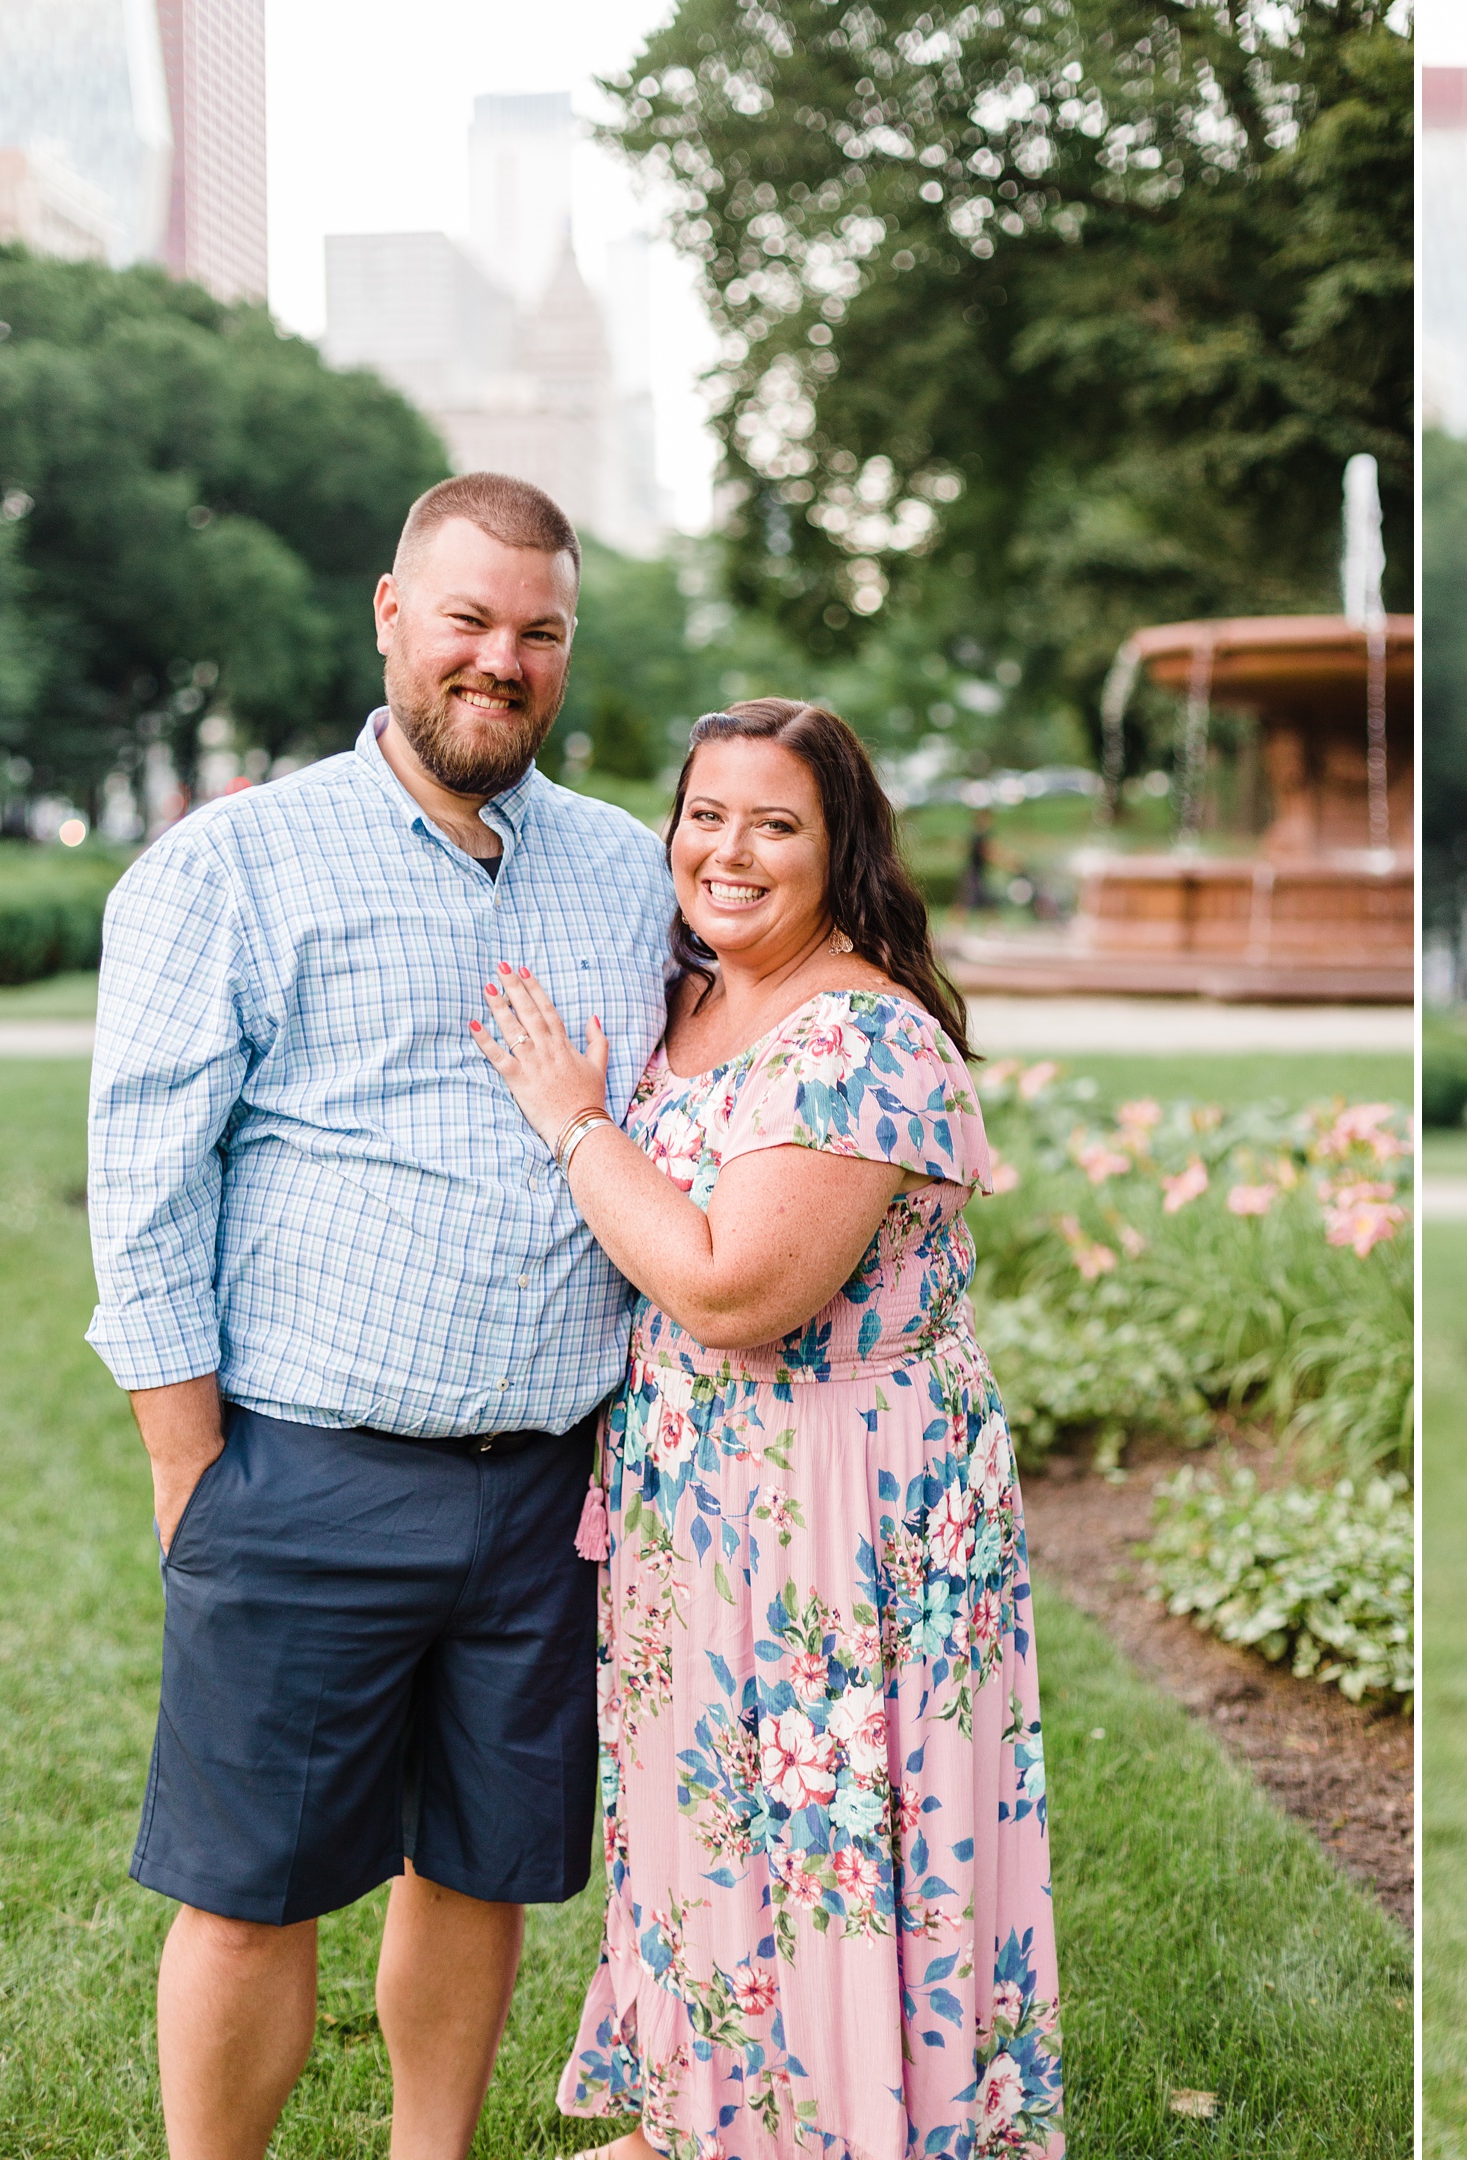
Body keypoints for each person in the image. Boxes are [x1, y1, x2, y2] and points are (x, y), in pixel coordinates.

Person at [87, 472, 675, 2160]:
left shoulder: (627, 870)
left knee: (478, 1870)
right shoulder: (234, 864)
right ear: (393, 616)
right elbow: (146, 1185)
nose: (503, 659)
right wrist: (191, 1467)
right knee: (248, 1890)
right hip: (307, 1473)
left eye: (541, 631)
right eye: (470, 619)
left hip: (548, 1490)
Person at [472, 699, 1063, 2158]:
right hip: (703, 1499)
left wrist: (572, 1121)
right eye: (707, 815)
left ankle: (845, 2127)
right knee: (710, 1813)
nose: (728, 852)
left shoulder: (861, 1036)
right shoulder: (696, 996)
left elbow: (734, 1290)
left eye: (776, 824)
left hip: (844, 1506)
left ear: (839, 847)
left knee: (828, 1827)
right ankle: (709, 2114)